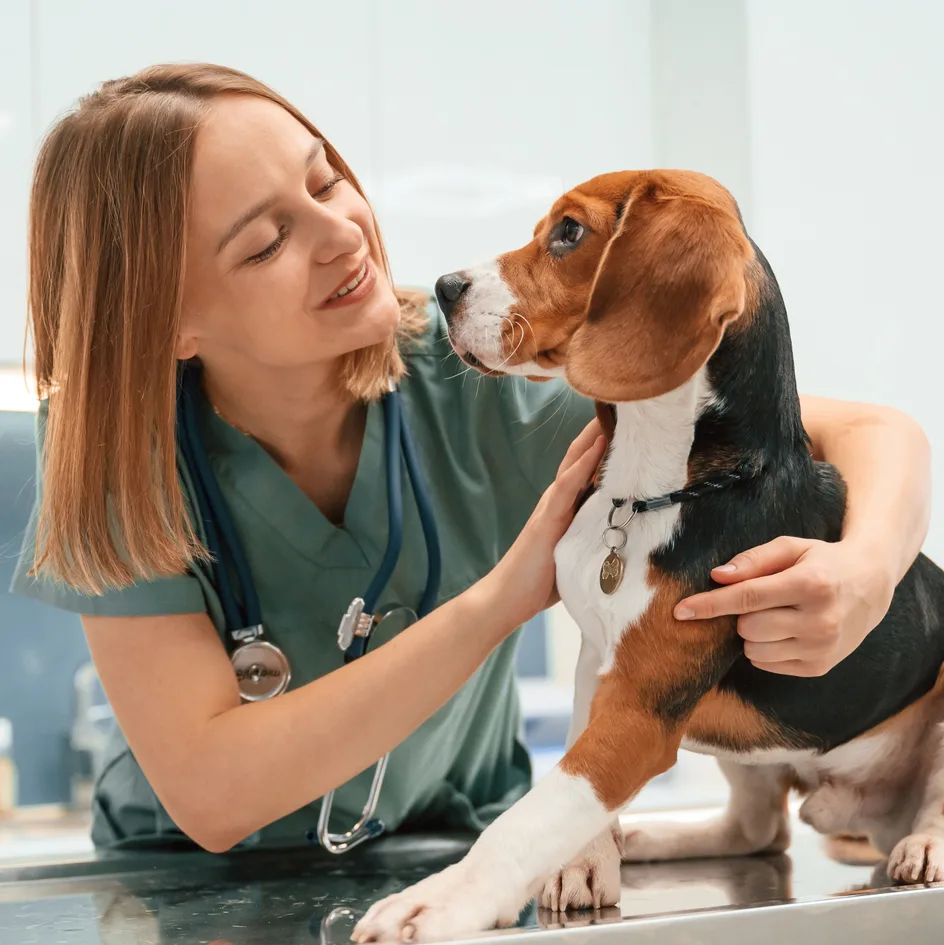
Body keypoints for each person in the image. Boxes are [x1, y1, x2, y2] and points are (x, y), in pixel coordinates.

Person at [12, 64, 931, 853]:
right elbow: (214, 795)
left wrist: (863, 569)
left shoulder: (474, 374)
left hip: (456, 854)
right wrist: (505, 599)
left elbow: (864, 433)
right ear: (165, 322)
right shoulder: (110, 454)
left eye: (326, 181)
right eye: (266, 242)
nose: (343, 233)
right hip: (184, 902)